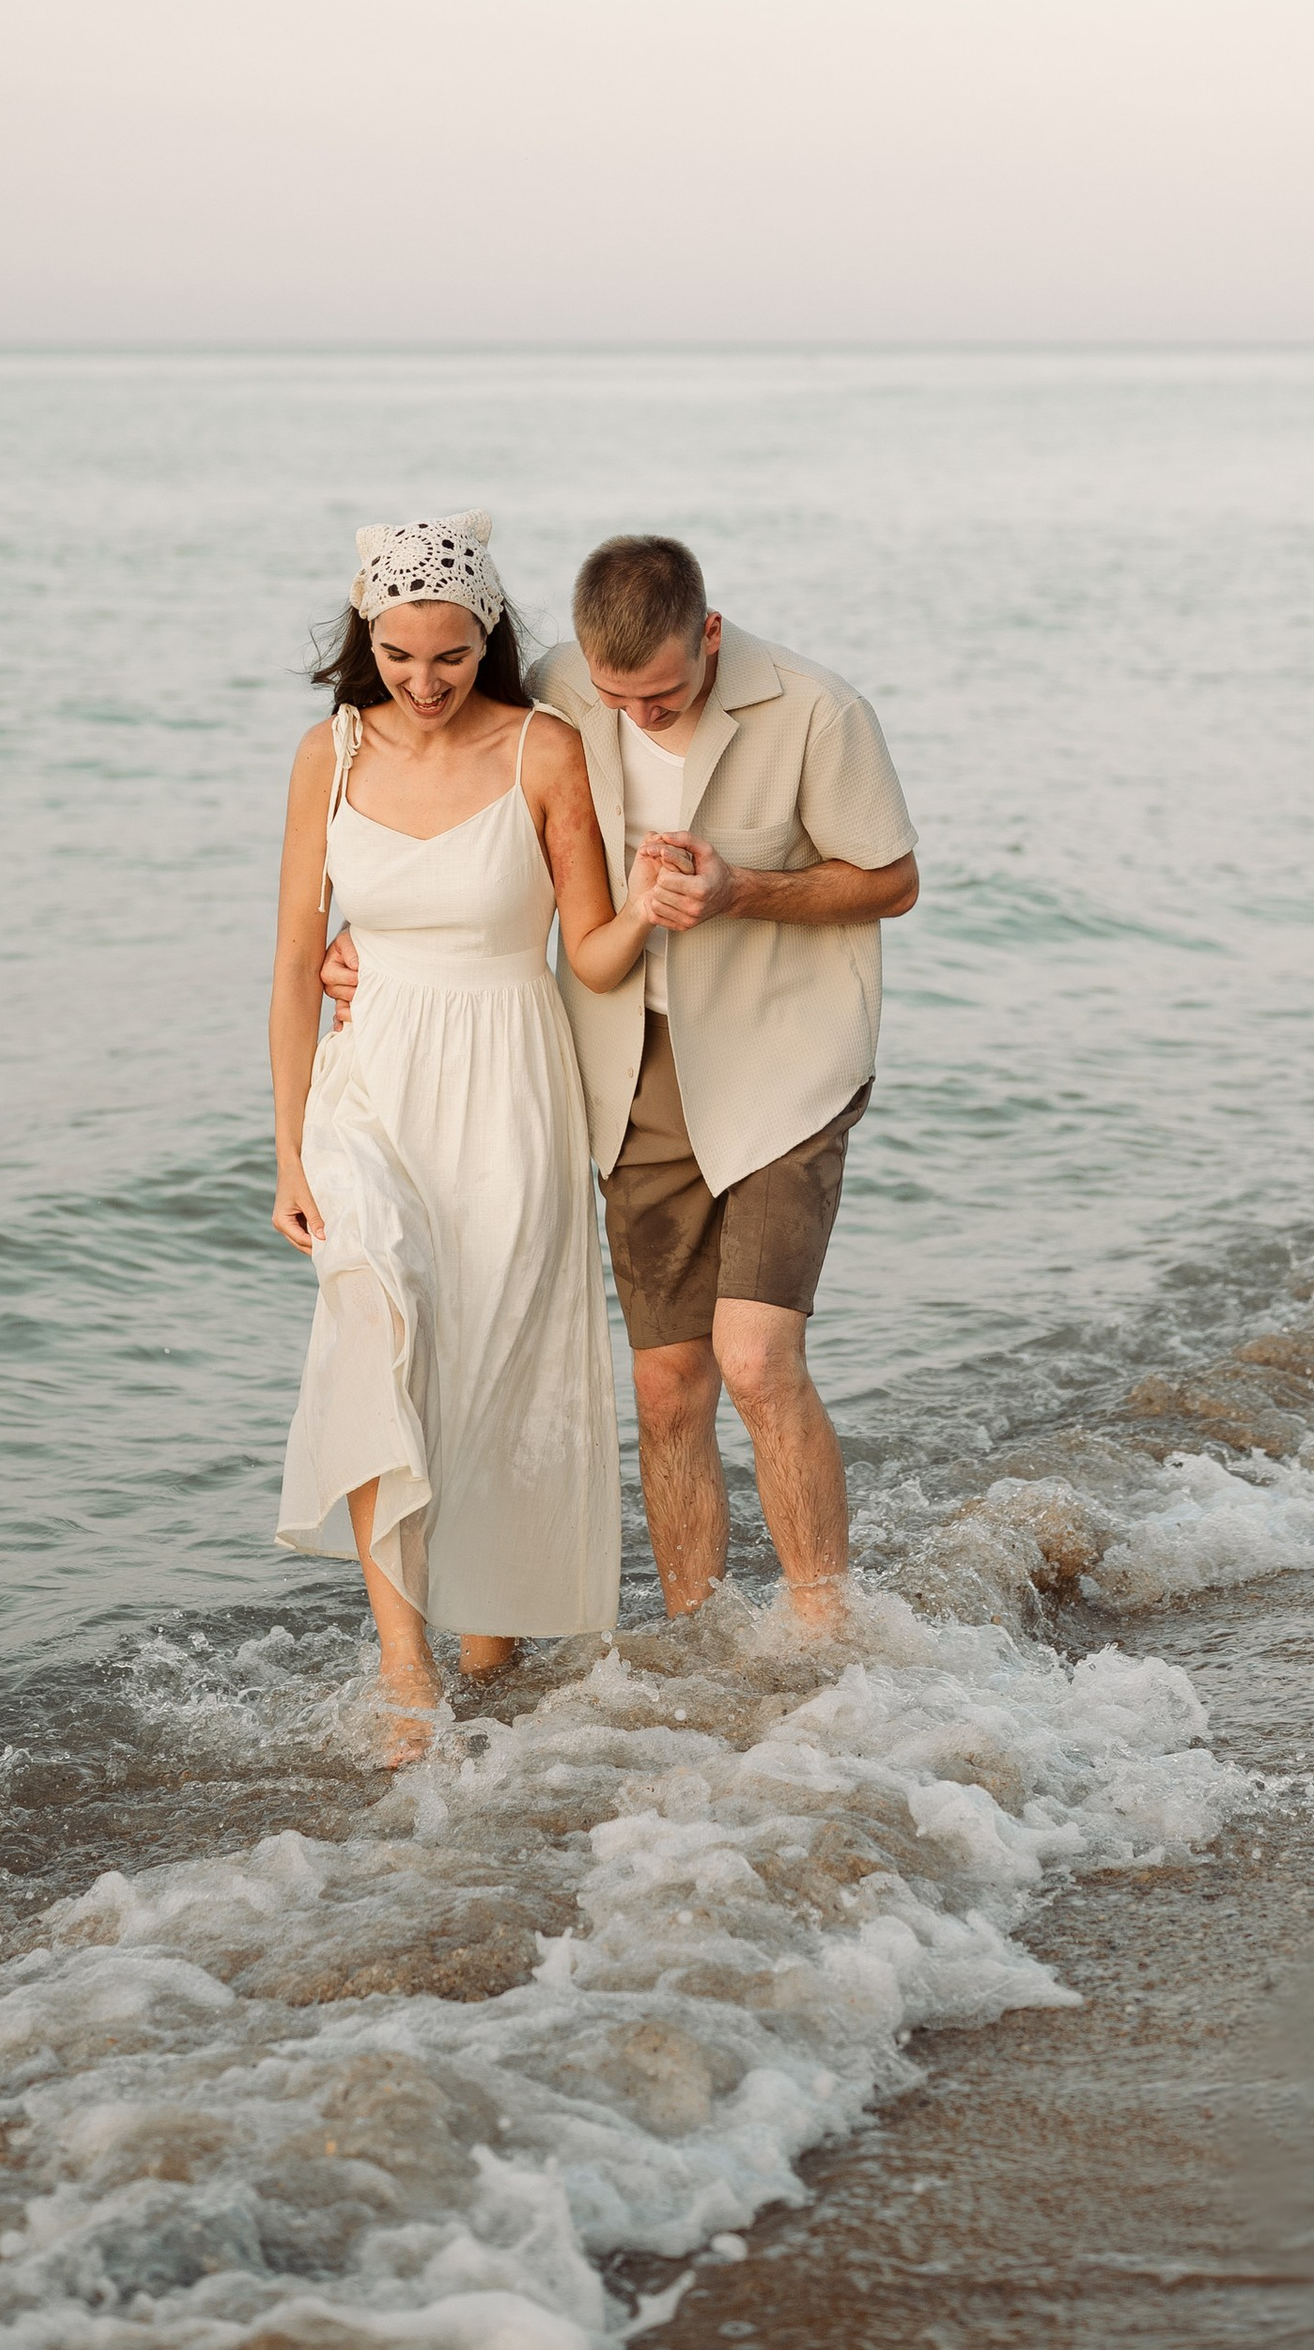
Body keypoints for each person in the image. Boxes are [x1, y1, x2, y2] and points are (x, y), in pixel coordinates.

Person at [327, 533, 919, 1624]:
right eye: (617, 697)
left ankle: (826, 1635)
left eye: (662, 696)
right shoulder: (557, 690)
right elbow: (462, 790)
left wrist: (741, 890)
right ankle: (697, 1639)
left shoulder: (817, 710)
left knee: (755, 1360)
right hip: (627, 1072)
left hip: (783, 1064)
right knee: (666, 1383)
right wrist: (379, 936)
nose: (639, 716)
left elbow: (892, 880)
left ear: (710, 633)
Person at [269, 511, 666, 1763]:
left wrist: (652, 908)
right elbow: (291, 965)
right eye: (397, 655)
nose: (423, 681)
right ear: (365, 639)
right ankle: (406, 1669)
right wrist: (287, 1151)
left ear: (486, 634)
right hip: (369, 1083)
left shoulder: (543, 748)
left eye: (447, 655)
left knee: (495, 1366)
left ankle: (491, 1653)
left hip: (508, 1083)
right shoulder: (328, 754)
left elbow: (589, 952)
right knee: (372, 1321)